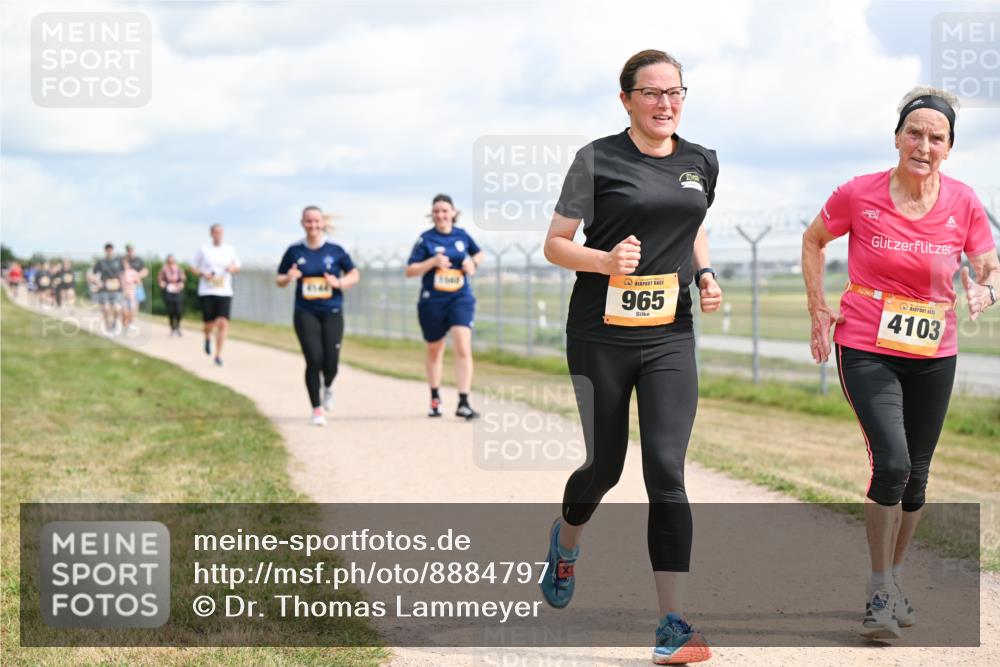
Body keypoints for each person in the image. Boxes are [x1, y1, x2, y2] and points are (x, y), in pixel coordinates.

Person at [541, 49, 722, 665]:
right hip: (600, 333)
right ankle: (566, 544)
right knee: (605, 467)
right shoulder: (597, 159)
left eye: (674, 92)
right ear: (626, 100)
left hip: (669, 332)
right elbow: (555, 244)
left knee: (666, 470)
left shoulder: (702, 161)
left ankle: (672, 624)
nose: (665, 103)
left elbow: (691, 222)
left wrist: (705, 274)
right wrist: (604, 260)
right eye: (651, 93)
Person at [801, 86, 999, 640]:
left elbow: (988, 265)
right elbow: (814, 240)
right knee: (892, 462)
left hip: (935, 350)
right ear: (897, 138)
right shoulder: (860, 194)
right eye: (915, 133)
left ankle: (893, 578)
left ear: (950, 148)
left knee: (918, 475)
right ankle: (880, 588)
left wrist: (987, 290)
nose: (924, 144)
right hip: (866, 342)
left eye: (937, 137)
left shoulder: (963, 201)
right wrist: (819, 309)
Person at [276, 206, 360, 426]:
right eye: (308, 222)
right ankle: (317, 409)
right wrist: (289, 277)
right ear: (302, 223)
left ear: (323, 223)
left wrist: (339, 283)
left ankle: (328, 386)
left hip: (332, 310)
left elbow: (354, 274)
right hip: (305, 311)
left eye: (316, 221)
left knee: (331, 361)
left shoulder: (336, 250)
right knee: (314, 358)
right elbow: (279, 279)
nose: (312, 226)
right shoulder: (295, 251)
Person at [405, 194, 485, 419]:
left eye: (444, 210)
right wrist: (432, 262)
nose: (441, 215)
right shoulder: (425, 239)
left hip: (460, 297)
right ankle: (435, 397)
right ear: (432, 215)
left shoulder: (462, 236)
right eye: (437, 211)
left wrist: (473, 263)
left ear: (453, 213)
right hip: (432, 301)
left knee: (462, 346)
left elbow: (479, 253)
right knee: (435, 349)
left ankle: (463, 401)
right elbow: (409, 270)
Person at [191, 224, 241, 366]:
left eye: (220, 232)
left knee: (223, 323)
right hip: (207, 290)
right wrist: (203, 273)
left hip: (224, 291)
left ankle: (218, 355)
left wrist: (232, 268)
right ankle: (207, 337)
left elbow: (237, 266)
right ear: (211, 233)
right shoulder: (203, 250)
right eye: (215, 232)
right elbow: (193, 267)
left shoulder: (230, 249)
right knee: (209, 324)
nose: (218, 234)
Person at [91, 243, 124, 335]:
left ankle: (114, 323)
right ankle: (107, 323)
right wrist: (98, 282)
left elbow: (123, 274)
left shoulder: (118, 261)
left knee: (117, 308)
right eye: (108, 249)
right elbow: (93, 274)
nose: (109, 251)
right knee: (105, 308)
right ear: (105, 250)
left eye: (111, 249)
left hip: (116, 288)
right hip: (104, 288)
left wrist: (124, 286)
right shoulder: (101, 262)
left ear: (113, 250)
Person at [121, 244, 149, 334]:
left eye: (131, 249)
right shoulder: (122, 260)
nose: (130, 251)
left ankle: (130, 323)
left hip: (137, 287)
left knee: (135, 307)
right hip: (125, 288)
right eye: (128, 249)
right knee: (125, 309)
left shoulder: (138, 260)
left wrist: (138, 276)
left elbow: (145, 271)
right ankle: (125, 324)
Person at [158, 254, 186, 336]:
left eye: (172, 261)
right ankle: (172, 328)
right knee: (171, 311)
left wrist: (181, 284)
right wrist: (162, 283)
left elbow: (183, 279)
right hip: (168, 290)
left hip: (177, 291)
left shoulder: (179, 269)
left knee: (179, 310)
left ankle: (178, 327)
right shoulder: (164, 269)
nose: (170, 263)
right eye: (169, 261)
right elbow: (160, 279)